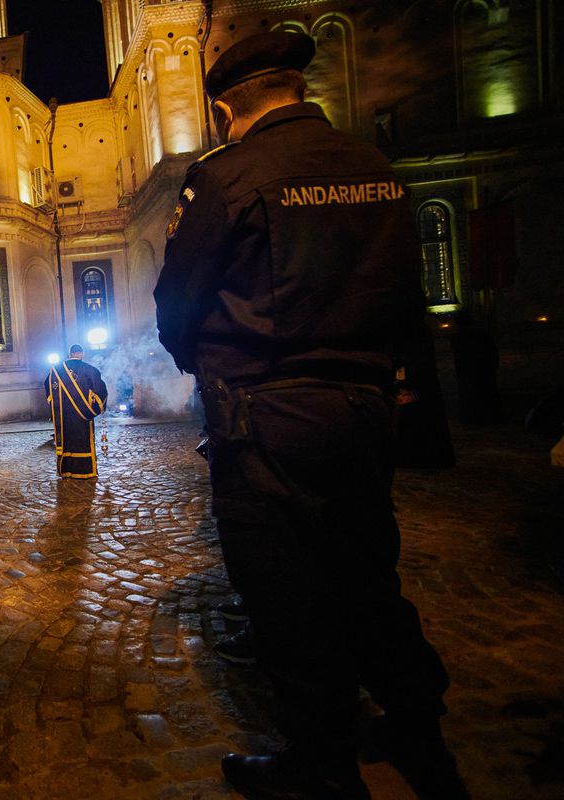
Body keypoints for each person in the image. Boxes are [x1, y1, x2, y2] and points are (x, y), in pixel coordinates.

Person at [153, 31, 468, 799]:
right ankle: (418, 730)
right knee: (367, 573)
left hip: (265, 418)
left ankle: (322, 767)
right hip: (363, 412)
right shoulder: (374, 167)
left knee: (286, 595)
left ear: (228, 107)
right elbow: (404, 295)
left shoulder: (226, 177)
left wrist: (211, 370)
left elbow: (177, 305)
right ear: (298, 86)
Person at [43, 344, 108, 478]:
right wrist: (92, 411)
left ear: (69, 354)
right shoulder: (91, 370)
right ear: (82, 354)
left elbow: (48, 390)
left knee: (68, 444)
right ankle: (85, 472)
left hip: (64, 417)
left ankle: (67, 471)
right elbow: (101, 393)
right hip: (83, 417)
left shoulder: (55, 371)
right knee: (83, 442)